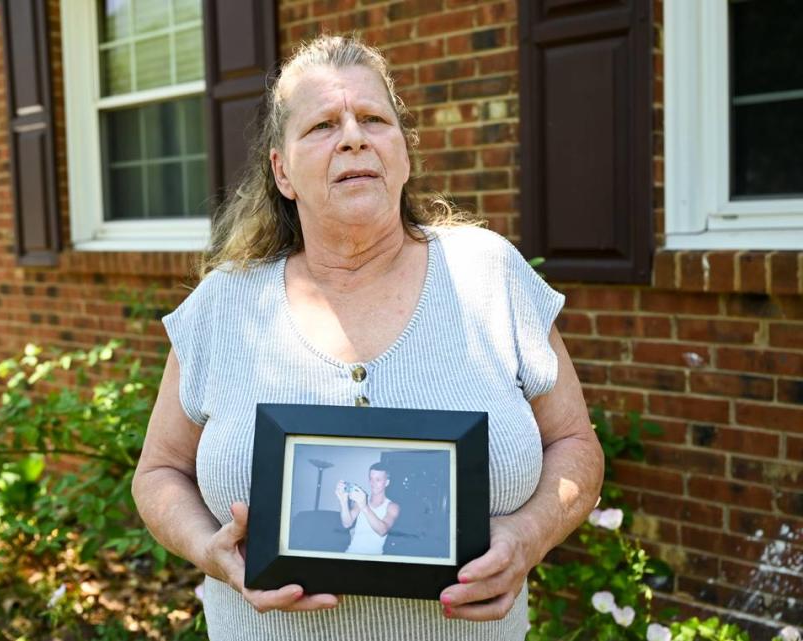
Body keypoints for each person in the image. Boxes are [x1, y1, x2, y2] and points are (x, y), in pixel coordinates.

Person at [132, 34, 604, 641]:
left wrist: (527, 535)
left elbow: (575, 444)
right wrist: (209, 550)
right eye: (323, 124)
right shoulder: (224, 304)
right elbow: (159, 472)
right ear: (282, 171)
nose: (353, 136)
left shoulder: (490, 274)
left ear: (403, 155)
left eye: (373, 119)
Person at [336, 463, 400, 555]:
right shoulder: (362, 498)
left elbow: (382, 531)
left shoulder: (392, 506)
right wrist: (343, 501)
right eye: (371, 479)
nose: (372, 483)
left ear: (387, 482)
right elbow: (347, 523)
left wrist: (364, 506)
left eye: (378, 480)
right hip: (351, 553)